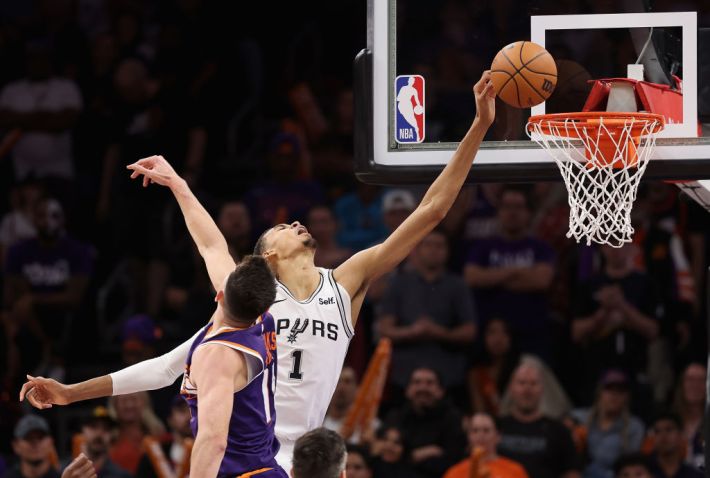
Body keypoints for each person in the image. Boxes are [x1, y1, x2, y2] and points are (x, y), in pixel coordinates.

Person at [20, 71, 497, 472]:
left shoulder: (347, 281)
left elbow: (430, 212)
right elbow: (172, 349)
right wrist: (180, 186)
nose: (294, 222)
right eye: (282, 226)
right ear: (268, 254)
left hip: (311, 464)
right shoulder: (248, 302)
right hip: (248, 462)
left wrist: (478, 126)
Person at [180, 255, 284, 477]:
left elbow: (214, 441)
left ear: (218, 295)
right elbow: (211, 245)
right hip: (266, 468)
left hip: (241, 471)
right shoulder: (263, 318)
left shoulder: (218, 355)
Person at [377, 228, 477, 392]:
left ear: (448, 251)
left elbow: (470, 331)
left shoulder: (458, 286)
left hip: (448, 374)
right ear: (417, 249)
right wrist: (412, 331)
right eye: (428, 245)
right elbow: (384, 329)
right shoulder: (399, 284)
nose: (433, 250)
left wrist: (438, 332)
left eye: (439, 246)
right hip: (403, 375)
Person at [464, 185, 555, 358]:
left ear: (529, 213)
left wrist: (493, 277)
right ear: (498, 212)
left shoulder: (540, 248)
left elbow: (541, 281)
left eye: (518, 207)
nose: (512, 213)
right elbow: (472, 278)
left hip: (531, 332)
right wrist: (518, 272)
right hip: (488, 332)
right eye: (507, 207)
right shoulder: (483, 247)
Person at [571, 244, 658, 403]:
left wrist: (622, 306)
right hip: (596, 366)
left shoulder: (644, 283)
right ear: (603, 248)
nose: (616, 249)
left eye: (621, 243)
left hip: (635, 365)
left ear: (631, 247)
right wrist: (603, 313)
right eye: (610, 244)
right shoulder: (590, 284)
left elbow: (653, 331)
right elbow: (576, 332)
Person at [497, 362, 581, 478]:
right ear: (511, 388)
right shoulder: (496, 427)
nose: (527, 389)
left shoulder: (559, 431)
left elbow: (572, 472)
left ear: (542, 389)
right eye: (522, 383)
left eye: (533, 383)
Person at [384, 367, 466, 478]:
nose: (423, 388)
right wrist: (422, 454)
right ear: (407, 390)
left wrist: (408, 457)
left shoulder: (452, 418)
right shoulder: (395, 416)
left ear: (441, 391)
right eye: (417, 382)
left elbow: (454, 460)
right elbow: (387, 457)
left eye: (430, 383)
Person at [570, 370, 644, 478]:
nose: (614, 395)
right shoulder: (579, 418)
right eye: (609, 389)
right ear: (599, 392)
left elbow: (631, 468)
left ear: (627, 397)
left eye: (620, 391)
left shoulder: (634, 427)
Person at [443, 413, 528, 478]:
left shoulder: (515, 471)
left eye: (486, 430)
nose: (480, 435)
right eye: (475, 431)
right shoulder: (455, 473)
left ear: (498, 436)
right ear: (468, 436)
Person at [467, 317, 519, 416]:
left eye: (505, 332)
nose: (498, 338)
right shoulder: (476, 373)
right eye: (492, 332)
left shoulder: (521, 369)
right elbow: (479, 411)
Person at [106, 392, 166, 474]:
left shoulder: (160, 436)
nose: (129, 405)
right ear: (115, 405)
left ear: (144, 403)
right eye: (124, 401)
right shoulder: (107, 439)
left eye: (134, 399)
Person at [135, 396, 193, 478]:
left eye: (194, 410)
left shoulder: (214, 455)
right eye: (182, 411)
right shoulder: (152, 457)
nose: (189, 416)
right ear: (170, 419)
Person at [68, 407, 129, 478]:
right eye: (93, 426)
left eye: (106, 428)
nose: (99, 433)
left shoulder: (122, 476)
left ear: (111, 435)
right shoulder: (65, 471)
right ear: (82, 430)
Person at [671, 363, 706, 468]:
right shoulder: (666, 422)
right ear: (681, 384)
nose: (695, 385)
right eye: (690, 379)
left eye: (702, 380)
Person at [648, 413, 703, 478]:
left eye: (669, 429)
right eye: (657, 431)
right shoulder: (643, 471)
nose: (663, 436)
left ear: (681, 434)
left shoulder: (694, 475)